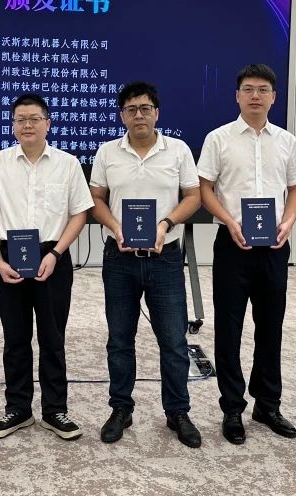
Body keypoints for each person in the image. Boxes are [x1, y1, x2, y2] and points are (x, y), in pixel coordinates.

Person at [197, 63, 296, 445]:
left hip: (274, 246)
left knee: (271, 326)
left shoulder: (287, 141)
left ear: (274, 97)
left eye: (263, 89)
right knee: (229, 328)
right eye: (248, 89)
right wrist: (229, 220)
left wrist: (289, 221)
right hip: (233, 244)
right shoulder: (218, 139)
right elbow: (205, 188)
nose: (256, 96)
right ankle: (232, 407)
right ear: (237, 95)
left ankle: (268, 404)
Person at [0, 94, 93, 440]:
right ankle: (18, 409)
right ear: (13, 125)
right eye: (20, 119)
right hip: (9, 256)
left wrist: (56, 253)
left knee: (53, 337)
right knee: (15, 337)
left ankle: (55, 410)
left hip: (53, 256)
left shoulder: (68, 164)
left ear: (47, 123)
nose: (27, 125)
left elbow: (79, 213)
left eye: (34, 118)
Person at [89, 81, 203, 448]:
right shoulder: (107, 152)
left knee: (173, 340)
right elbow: (96, 198)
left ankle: (178, 411)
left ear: (157, 113)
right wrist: (115, 226)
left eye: (145, 108)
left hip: (165, 257)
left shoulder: (178, 150)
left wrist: (165, 223)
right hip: (119, 257)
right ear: (122, 115)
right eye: (131, 109)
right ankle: (121, 408)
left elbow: (193, 197)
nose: (138, 115)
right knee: (120, 340)